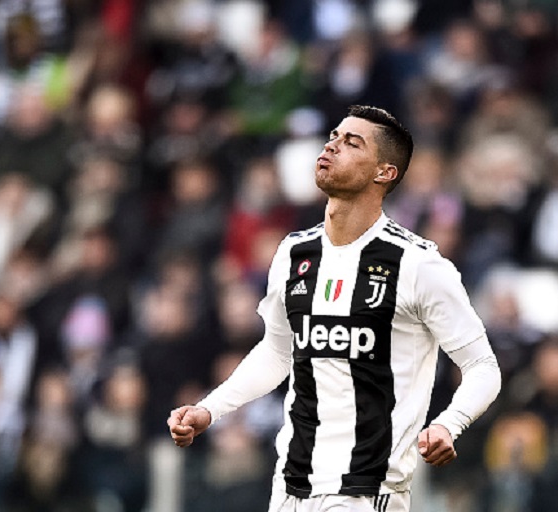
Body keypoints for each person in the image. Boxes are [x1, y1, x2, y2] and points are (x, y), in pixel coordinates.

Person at [168, 105, 502, 512]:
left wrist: (450, 423)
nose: (331, 146)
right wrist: (210, 408)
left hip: (364, 490)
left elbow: (483, 366)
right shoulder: (294, 252)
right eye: (333, 136)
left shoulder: (419, 264)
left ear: (384, 172)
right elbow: (277, 352)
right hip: (290, 486)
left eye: (351, 142)